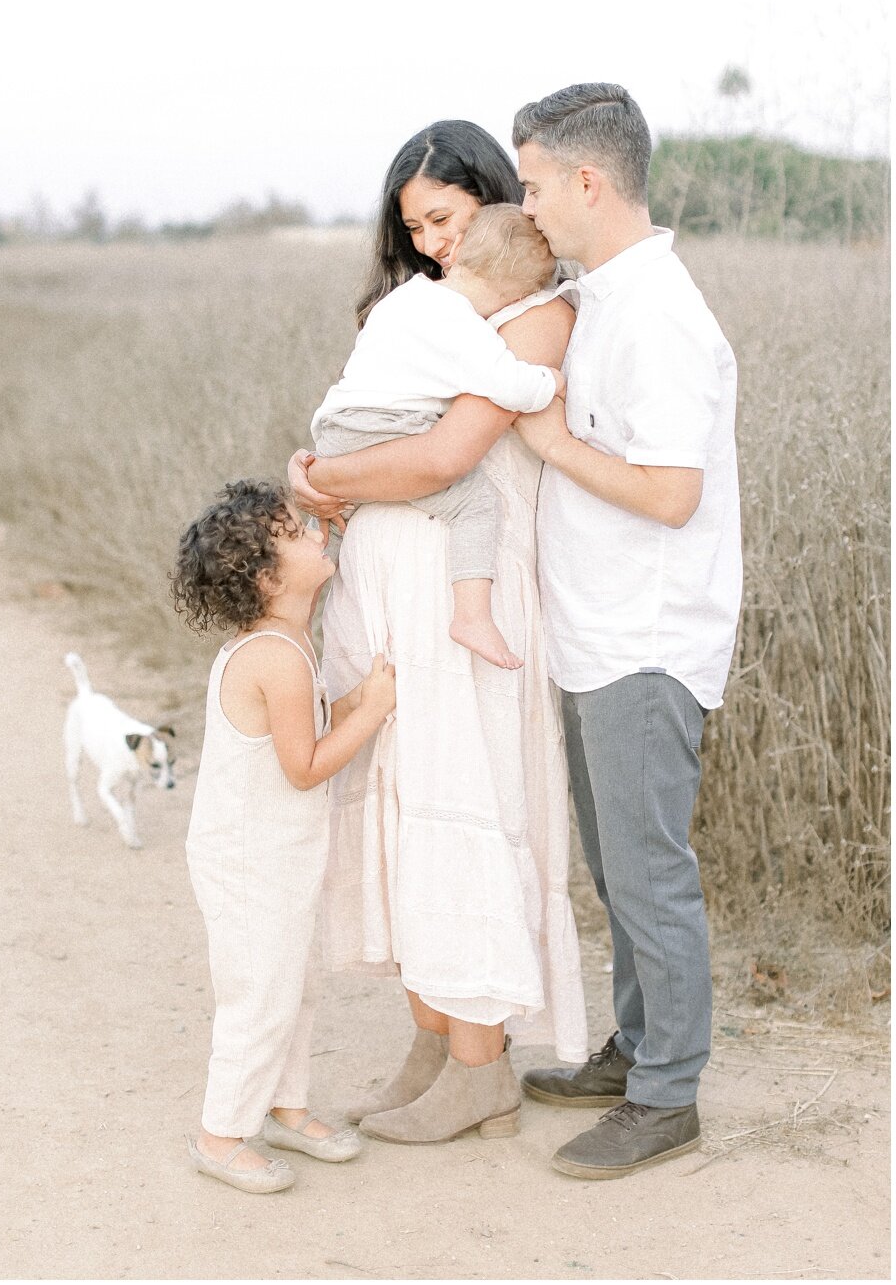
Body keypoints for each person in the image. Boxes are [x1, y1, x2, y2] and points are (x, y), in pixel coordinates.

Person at [292, 118, 588, 1148]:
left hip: (464, 590)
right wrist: (320, 472)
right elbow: (382, 430)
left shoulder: (535, 312)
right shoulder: (423, 311)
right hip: (393, 584)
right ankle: (435, 1037)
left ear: (495, 202)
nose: (432, 243)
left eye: (448, 218)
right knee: (409, 803)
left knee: (460, 796)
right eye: (415, 225)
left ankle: (480, 1065)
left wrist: (324, 474)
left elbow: (440, 458)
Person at [511, 78, 742, 1181]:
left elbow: (670, 493)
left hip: (646, 640)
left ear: (588, 180)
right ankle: (638, 1044)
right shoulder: (603, 294)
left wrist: (552, 442)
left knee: (648, 871)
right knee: (617, 866)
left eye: (536, 183)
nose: (529, 207)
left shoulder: (658, 314)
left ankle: (667, 1095)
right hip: (596, 632)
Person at [173, 475, 393, 1198]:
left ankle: (285, 1104)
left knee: (294, 984)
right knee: (259, 992)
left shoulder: (290, 638)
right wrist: (373, 712)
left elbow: (307, 730)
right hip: (248, 860)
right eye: (295, 531)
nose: (312, 530)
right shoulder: (271, 655)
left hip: (278, 853)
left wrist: (356, 697)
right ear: (268, 577)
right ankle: (220, 1132)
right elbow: (304, 765)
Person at [309, 201, 563, 671]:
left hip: (336, 427)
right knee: (476, 503)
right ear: (509, 291)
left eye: (440, 220)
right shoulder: (464, 325)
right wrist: (552, 382)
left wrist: (320, 470)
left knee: (338, 523)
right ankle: (471, 615)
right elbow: (507, 383)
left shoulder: (404, 299)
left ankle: (305, 596)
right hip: (385, 430)